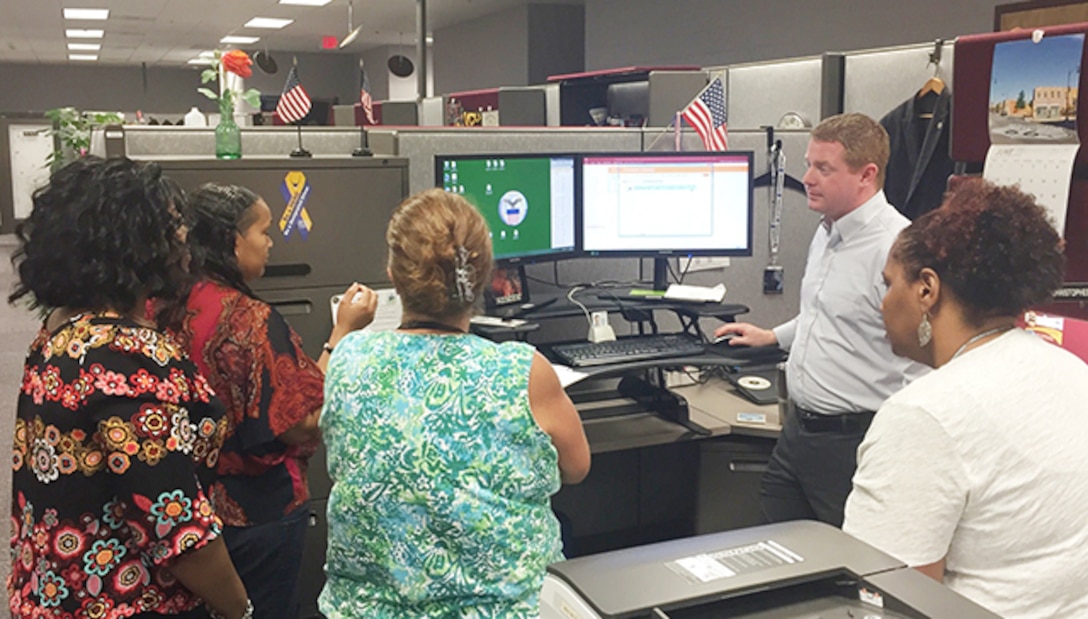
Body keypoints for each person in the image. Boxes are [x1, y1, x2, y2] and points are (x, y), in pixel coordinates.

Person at [319, 188, 591, 618]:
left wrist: (340, 333)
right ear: (484, 275)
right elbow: (577, 468)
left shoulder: (348, 357)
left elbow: (312, 416)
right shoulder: (524, 370)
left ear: (393, 273)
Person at [7, 157, 250, 618]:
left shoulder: (63, 329)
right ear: (133, 242)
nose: (185, 240)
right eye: (173, 227)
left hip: (55, 590)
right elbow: (177, 527)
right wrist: (240, 609)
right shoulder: (124, 357)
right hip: (125, 601)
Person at [844, 179, 1088, 618]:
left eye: (888, 284)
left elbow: (884, 602)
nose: (882, 303)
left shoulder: (924, 415)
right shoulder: (1072, 371)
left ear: (926, 290)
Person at [165, 183, 377, 619]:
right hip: (258, 513)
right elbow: (298, 419)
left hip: (191, 509)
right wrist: (342, 335)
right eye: (262, 231)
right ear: (231, 240)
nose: (271, 241)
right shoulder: (250, 320)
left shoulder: (167, 305)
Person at [714, 113, 926, 526]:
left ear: (866, 175)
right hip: (798, 432)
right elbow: (827, 316)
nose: (807, 177)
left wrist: (897, 455)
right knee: (776, 542)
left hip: (852, 441)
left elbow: (920, 367)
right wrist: (771, 336)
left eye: (823, 168)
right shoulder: (828, 229)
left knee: (846, 566)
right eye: (809, 163)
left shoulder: (899, 250)